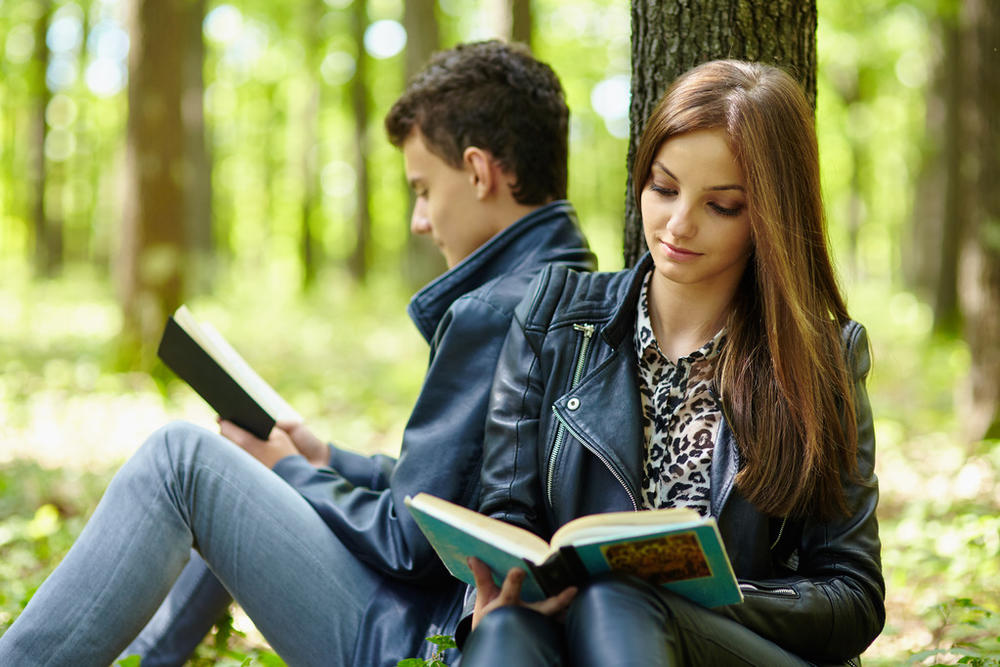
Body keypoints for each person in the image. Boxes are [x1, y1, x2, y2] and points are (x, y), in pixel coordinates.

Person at [0, 40, 595, 667]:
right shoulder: (573, 285)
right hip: (440, 614)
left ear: (478, 172)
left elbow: (407, 543)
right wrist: (324, 457)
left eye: (423, 189)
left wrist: (288, 468)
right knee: (239, 459)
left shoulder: (495, 311)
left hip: (422, 636)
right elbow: (458, 498)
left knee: (181, 460)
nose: (421, 220)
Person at [457, 59, 885, 666]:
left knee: (619, 602)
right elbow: (504, 520)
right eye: (664, 188)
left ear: (769, 218)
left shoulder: (823, 359)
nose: (678, 224)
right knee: (500, 634)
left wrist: (697, 595)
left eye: (723, 206)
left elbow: (854, 595)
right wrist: (502, 595)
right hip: (561, 638)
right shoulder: (553, 321)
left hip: (735, 649)